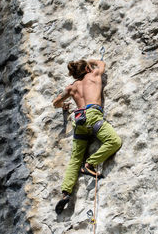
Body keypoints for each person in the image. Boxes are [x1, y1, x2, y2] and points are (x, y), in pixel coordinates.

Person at [52, 59, 122, 214]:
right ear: (87, 68)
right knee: (114, 141)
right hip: (92, 116)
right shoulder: (94, 75)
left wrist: (64, 106)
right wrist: (90, 62)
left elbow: (55, 102)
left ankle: (65, 193)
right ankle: (89, 164)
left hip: (78, 119)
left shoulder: (71, 88)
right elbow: (101, 63)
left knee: (75, 159)